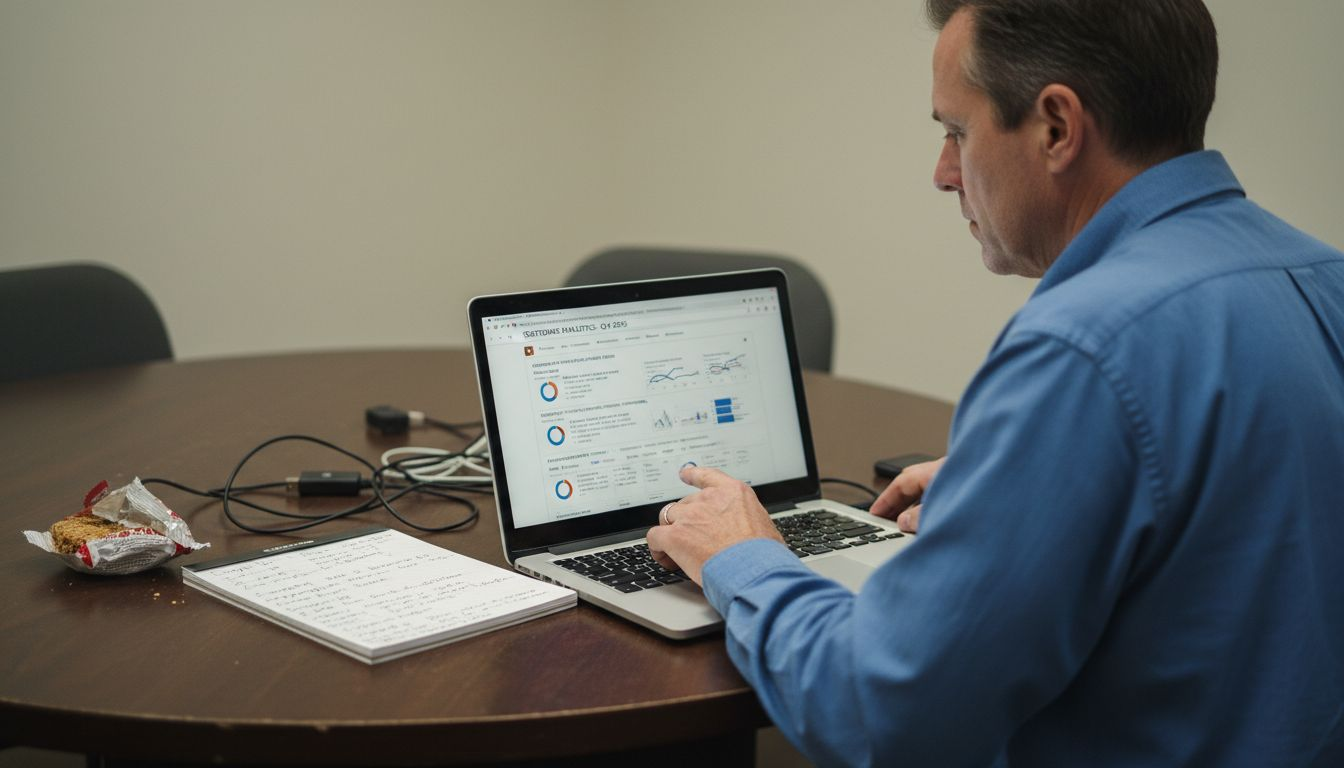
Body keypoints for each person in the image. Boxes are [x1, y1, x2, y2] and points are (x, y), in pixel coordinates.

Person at [645, 1, 1344, 765]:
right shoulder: (1323, 278)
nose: (944, 174)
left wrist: (742, 558)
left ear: (1055, 127)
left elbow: (882, 717)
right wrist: (1036, 485)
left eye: (956, 132)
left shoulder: (1081, 348)